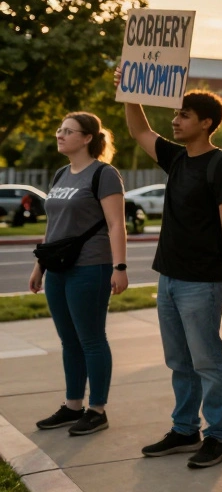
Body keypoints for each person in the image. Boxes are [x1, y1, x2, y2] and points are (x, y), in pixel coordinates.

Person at [120, 81, 222, 469]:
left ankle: (217, 437)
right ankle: (184, 429)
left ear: (206, 122)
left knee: (206, 360)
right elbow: (139, 131)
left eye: (183, 115)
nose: (175, 121)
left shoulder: (221, 165)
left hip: (202, 282)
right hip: (169, 277)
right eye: (176, 114)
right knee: (179, 360)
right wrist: (130, 92)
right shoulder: (176, 158)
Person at [29, 112, 129, 437]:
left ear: (87, 138)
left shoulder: (104, 174)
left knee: (91, 339)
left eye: (68, 131)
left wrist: (120, 267)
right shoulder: (61, 174)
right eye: (59, 129)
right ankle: (73, 406)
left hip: (91, 266)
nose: (60, 134)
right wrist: (39, 265)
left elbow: (116, 224)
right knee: (68, 341)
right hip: (57, 268)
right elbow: (53, 226)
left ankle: (96, 410)